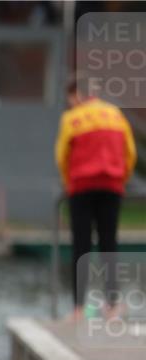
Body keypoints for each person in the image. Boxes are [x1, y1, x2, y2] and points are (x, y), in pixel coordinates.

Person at [55, 78, 137, 320]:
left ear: (75, 94)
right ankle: (112, 306)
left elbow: (62, 155)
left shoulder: (71, 118)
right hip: (112, 186)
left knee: (81, 245)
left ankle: (79, 308)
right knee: (109, 243)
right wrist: (120, 179)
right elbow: (130, 153)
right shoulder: (115, 114)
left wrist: (69, 181)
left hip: (81, 186)